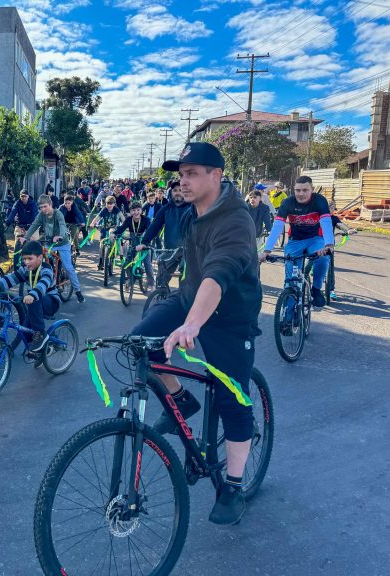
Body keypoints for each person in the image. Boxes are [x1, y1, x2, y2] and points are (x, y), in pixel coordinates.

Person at [133, 143, 262, 526]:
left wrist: (193, 324)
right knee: (140, 344)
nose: (182, 181)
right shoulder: (192, 213)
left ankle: (234, 486)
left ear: (216, 176)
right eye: (180, 174)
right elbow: (194, 265)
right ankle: (181, 400)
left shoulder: (237, 220)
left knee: (233, 400)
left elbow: (218, 273)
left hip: (229, 315)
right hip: (188, 298)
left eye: (191, 173)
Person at [259, 175, 334, 307]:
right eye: (298, 190)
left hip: (315, 239)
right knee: (291, 283)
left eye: (305, 190)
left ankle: (316, 290)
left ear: (312, 190)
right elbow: (277, 226)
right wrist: (266, 251)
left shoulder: (319, 201)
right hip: (295, 241)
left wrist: (328, 244)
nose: (301, 193)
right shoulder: (288, 202)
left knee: (323, 259)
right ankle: (287, 321)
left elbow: (326, 222)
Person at [0, 240, 61, 356]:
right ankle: (40, 352)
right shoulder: (25, 269)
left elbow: (43, 283)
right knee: (24, 331)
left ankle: (41, 334)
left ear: (40, 257)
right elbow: (10, 279)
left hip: (50, 301)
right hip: (34, 303)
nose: (26, 262)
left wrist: (33, 294)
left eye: (30, 259)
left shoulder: (46, 269)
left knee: (34, 302)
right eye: (24, 259)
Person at [24, 194, 86, 303]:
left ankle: (78, 291)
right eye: (41, 207)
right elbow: (34, 225)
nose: (43, 209)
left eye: (45, 206)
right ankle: (48, 278)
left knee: (68, 267)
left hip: (62, 243)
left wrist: (60, 236)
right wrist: (25, 237)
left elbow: (62, 225)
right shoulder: (41, 215)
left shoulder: (58, 214)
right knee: (41, 259)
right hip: (49, 242)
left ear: (50, 204)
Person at [114, 201, 154, 287]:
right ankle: (130, 279)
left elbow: (150, 232)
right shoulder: (128, 220)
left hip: (144, 243)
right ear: (130, 211)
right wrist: (114, 234)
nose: (136, 212)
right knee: (128, 262)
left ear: (141, 211)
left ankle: (151, 285)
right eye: (134, 210)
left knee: (147, 264)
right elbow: (121, 229)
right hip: (133, 243)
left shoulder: (146, 219)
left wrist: (145, 244)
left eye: (138, 210)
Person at [90, 196, 124, 269]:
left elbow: (122, 218)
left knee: (119, 243)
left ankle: (122, 260)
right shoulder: (104, 210)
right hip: (105, 228)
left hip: (115, 228)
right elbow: (97, 217)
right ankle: (101, 262)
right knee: (101, 244)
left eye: (111, 203)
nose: (109, 205)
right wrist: (93, 223)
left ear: (114, 204)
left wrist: (124, 225)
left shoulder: (116, 210)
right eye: (107, 203)